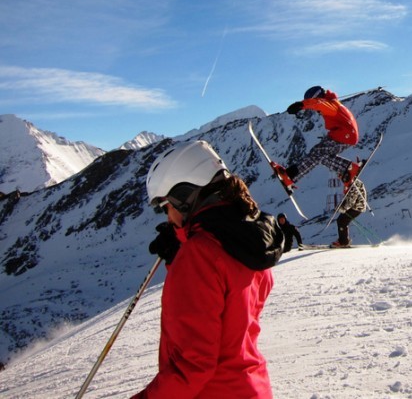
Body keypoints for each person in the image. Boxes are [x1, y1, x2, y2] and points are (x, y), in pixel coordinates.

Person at [133, 140, 283, 399]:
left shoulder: (199, 255)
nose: (167, 218)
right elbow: (222, 295)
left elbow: (192, 366)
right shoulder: (248, 241)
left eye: (165, 207)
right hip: (251, 386)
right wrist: (181, 245)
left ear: (183, 199)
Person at [274, 86, 361, 190]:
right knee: (319, 154)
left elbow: (319, 103)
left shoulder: (330, 105)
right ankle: (347, 169)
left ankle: (291, 176)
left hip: (345, 135)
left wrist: (302, 105)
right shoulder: (332, 103)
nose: (317, 112)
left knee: (318, 154)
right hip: (342, 134)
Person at [333, 178, 368, 248]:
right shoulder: (351, 182)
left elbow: (351, 200)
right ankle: (343, 240)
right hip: (356, 206)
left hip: (357, 207)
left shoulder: (354, 184)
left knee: (342, 221)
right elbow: (348, 197)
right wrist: (341, 206)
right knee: (341, 220)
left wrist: (343, 208)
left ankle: (343, 242)